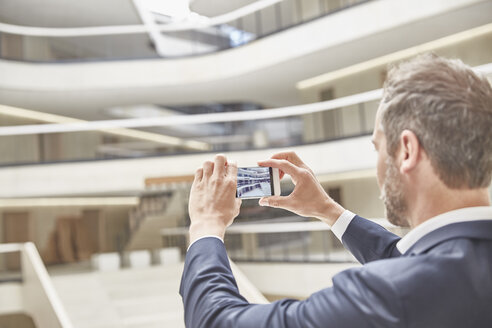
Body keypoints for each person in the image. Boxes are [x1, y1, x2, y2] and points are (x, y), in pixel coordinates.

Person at [179, 54, 492, 327]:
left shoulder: (392, 295)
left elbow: (214, 322)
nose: (379, 165)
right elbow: (405, 257)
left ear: (407, 150)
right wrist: (327, 209)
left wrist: (206, 226)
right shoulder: (457, 265)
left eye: (378, 148)